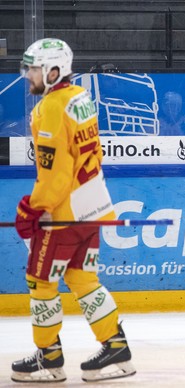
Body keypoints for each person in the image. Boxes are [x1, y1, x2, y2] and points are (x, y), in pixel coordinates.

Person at [12, 38, 136, 383]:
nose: (28, 76)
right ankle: (116, 347)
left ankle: (48, 358)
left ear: (53, 70)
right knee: (82, 279)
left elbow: (55, 173)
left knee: (40, 282)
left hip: (62, 216)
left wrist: (32, 209)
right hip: (92, 206)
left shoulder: (50, 108)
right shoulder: (81, 98)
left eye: (33, 69)